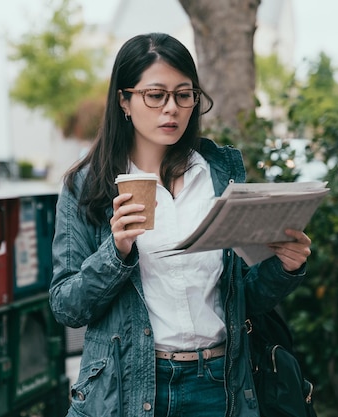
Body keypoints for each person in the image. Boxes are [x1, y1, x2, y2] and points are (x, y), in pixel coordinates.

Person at [49, 32, 313, 417]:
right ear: (124, 100)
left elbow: (242, 301)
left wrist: (285, 267)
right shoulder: (87, 187)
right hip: (132, 388)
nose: (170, 108)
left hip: (220, 384)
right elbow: (67, 307)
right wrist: (116, 251)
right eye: (155, 95)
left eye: (184, 94)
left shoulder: (218, 175)